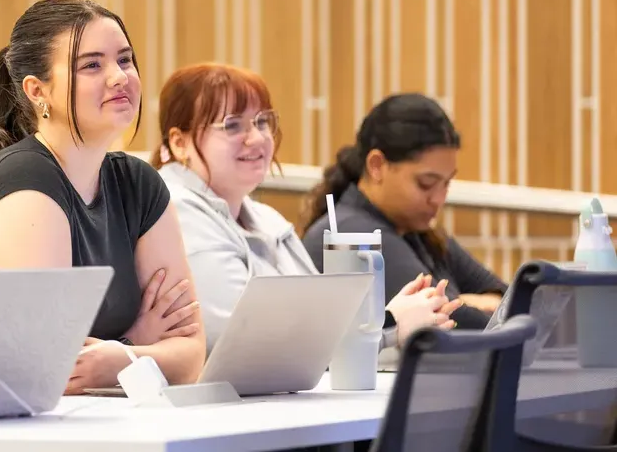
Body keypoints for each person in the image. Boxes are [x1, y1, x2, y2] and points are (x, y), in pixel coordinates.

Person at [0, 0, 206, 399]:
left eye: (125, 60)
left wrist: (118, 358)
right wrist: (134, 345)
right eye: (92, 65)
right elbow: (42, 367)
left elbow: (191, 357)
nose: (119, 76)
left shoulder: (141, 184)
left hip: (86, 408)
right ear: (38, 91)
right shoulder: (25, 178)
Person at [152, 63, 463, 353]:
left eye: (262, 122)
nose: (257, 138)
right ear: (180, 143)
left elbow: (320, 330)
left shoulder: (267, 219)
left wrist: (392, 330)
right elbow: (242, 340)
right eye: (233, 126)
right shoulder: (175, 211)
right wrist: (389, 323)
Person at [301, 93, 508, 330]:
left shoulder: (418, 231)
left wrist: (461, 302)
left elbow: (513, 303)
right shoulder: (352, 233)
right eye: (426, 183)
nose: (439, 199)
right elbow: (464, 324)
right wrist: (468, 302)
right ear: (377, 166)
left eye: (446, 183)